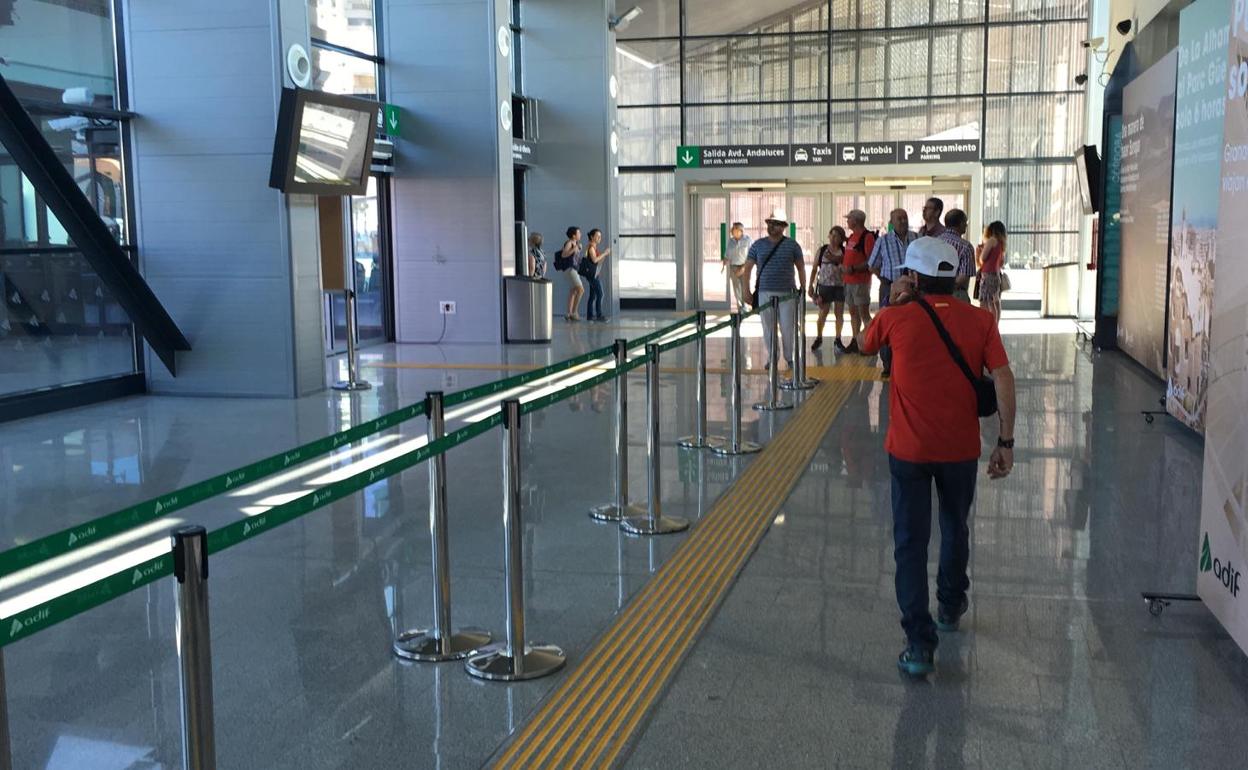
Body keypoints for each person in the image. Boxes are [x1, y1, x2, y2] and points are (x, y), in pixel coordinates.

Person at [858, 236, 1016, 678]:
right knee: (954, 525)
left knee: (910, 543)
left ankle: (918, 645)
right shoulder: (981, 321)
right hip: (961, 451)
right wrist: (1006, 441)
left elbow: (863, 343)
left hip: (908, 453)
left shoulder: (895, 317)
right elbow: (1003, 377)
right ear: (955, 277)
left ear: (912, 277)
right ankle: (950, 605)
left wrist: (891, 301)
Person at [741, 208, 805, 371]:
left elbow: (801, 268)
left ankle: (790, 358)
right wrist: (746, 291)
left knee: (787, 326)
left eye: (776, 224)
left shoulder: (792, 245)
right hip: (764, 292)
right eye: (770, 223)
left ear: (783, 227)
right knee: (768, 327)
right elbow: (747, 269)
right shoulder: (758, 245)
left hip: (787, 293)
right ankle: (773, 357)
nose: (772, 227)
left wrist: (803, 288)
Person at [869, 209, 917, 376]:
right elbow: (872, 265)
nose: (903, 221)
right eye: (899, 218)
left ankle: (908, 360)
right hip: (889, 287)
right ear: (892, 222)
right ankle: (888, 364)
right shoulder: (883, 241)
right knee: (887, 323)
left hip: (913, 289)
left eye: (905, 218)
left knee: (911, 324)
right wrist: (884, 280)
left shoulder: (916, 238)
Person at [841, 209, 876, 354]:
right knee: (853, 313)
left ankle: (870, 343)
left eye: (849, 219)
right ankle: (856, 341)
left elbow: (871, 261)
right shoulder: (851, 237)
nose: (847, 221)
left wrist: (853, 268)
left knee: (864, 314)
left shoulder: (867, 237)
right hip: (848, 281)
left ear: (855, 221)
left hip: (860, 282)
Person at [810, 226, 846, 352]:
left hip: (840, 286)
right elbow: (815, 268)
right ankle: (819, 337)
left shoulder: (844, 251)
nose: (833, 238)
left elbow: (846, 267)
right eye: (832, 235)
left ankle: (838, 338)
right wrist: (811, 286)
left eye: (837, 236)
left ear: (841, 239)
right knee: (823, 313)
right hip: (825, 286)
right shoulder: (822, 250)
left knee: (839, 314)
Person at [938, 209, 976, 303]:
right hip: (957, 295)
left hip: (936, 294)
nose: (966, 225)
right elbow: (963, 277)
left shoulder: (934, 242)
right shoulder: (966, 247)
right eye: (965, 222)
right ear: (960, 223)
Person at [977, 221, 1007, 324]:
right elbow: (1001, 263)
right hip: (996, 275)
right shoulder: (1001, 244)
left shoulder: (991, 240)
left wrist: (981, 252)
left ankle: (987, 326)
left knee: (985, 301)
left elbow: (983, 258)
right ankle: (995, 326)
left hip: (987, 275)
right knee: (995, 302)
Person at [581, 228, 610, 322]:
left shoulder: (593, 247)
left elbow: (597, 261)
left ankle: (590, 315)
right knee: (600, 294)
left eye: (600, 236)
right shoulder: (591, 247)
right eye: (597, 236)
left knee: (593, 295)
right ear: (592, 237)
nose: (599, 238)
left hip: (593, 274)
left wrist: (604, 255)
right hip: (592, 275)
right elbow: (594, 260)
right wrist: (604, 253)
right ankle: (599, 315)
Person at [556, 226, 585, 321]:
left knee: (573, 290)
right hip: (570, 269)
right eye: (578, 233)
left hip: (574, 269)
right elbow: (564, 254)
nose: (580, 234)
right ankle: (574, 312)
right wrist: (575, 248)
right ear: (573, 235)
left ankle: (568, 313)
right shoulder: (569, 243)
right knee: (580, 289)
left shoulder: (576, 243)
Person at [724, 222, 752, 311]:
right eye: (733, 230)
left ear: (741, 231)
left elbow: (751, 255)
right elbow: (727, 253)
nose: (733, 231)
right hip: (734, 267)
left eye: (735, 230)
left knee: (745, 287)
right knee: (737, 288)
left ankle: (745, 305)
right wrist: (725, 259)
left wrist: (744, 267)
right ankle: (740, 307)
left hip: (745, 266)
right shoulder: (730, 241)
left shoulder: (748, 240)